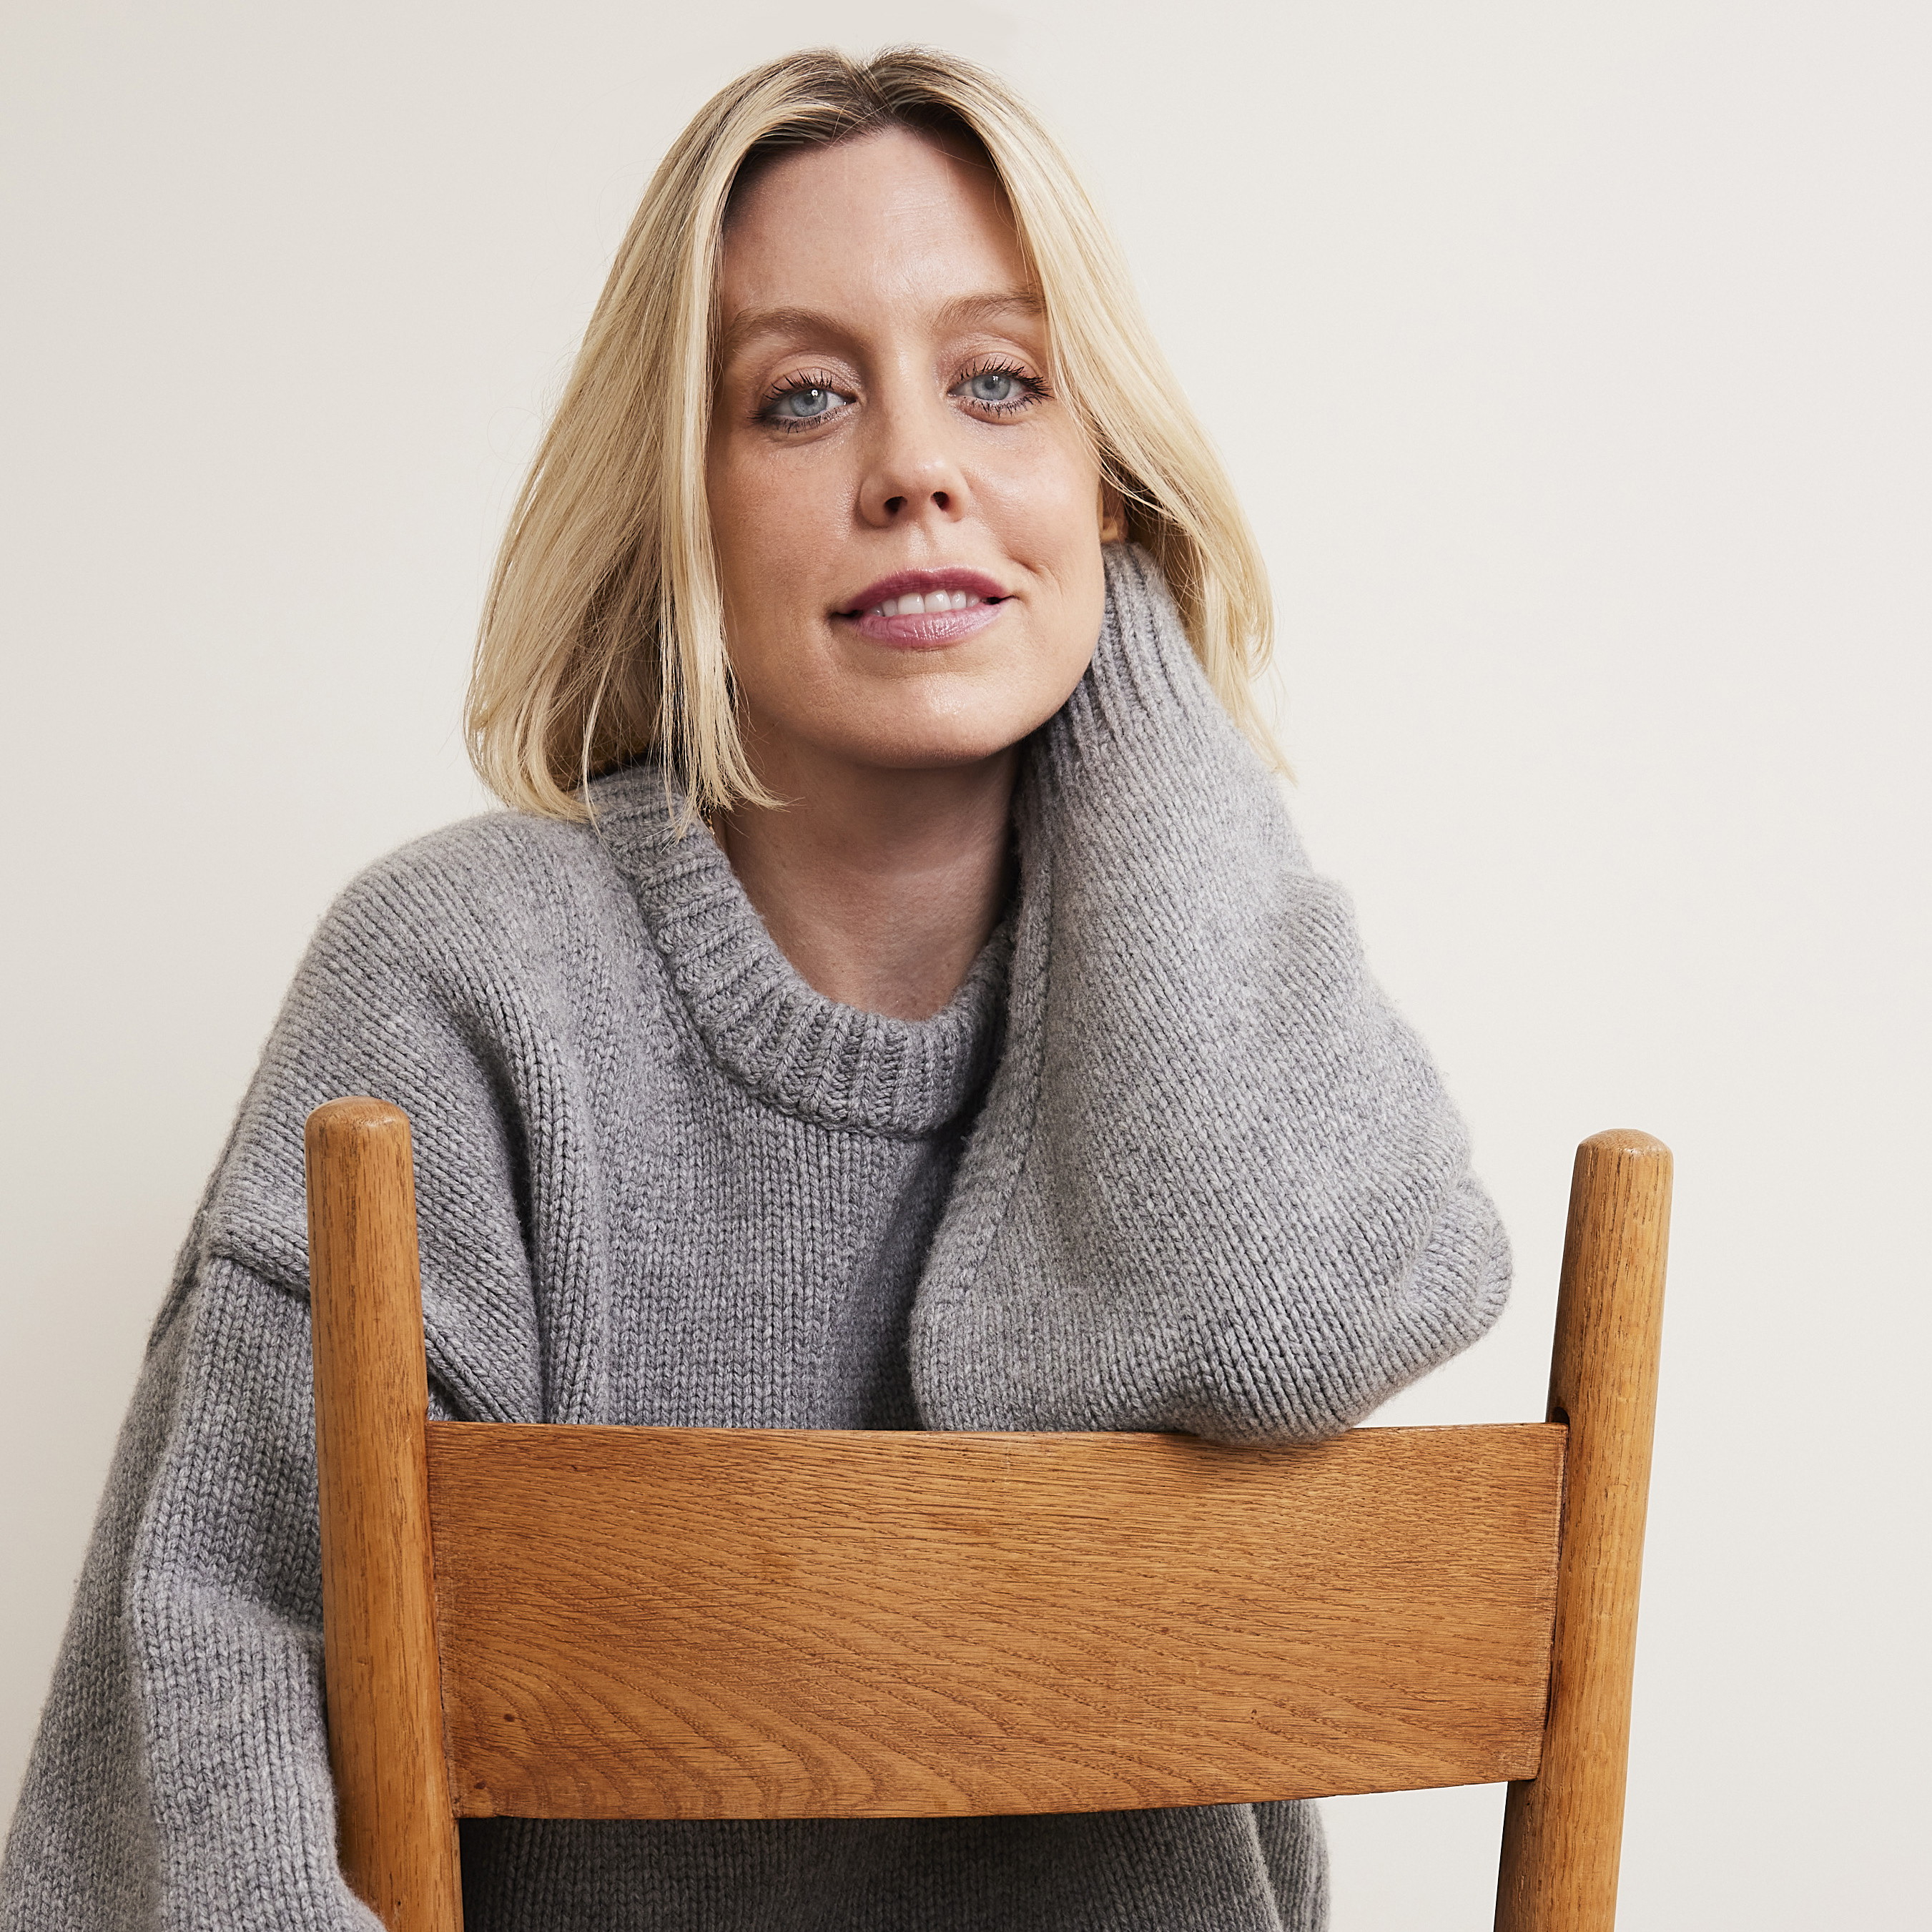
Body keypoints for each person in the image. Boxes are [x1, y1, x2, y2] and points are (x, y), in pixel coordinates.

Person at [0, 46, 1509, 1932]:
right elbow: (200, 1728)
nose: (917, 472)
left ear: (1109, 477)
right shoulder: (465, 988)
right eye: (801, 400)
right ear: (681, 504)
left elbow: (1291, 1324)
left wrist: (1126, 671)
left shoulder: (1207, 1015)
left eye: (1003, 386)